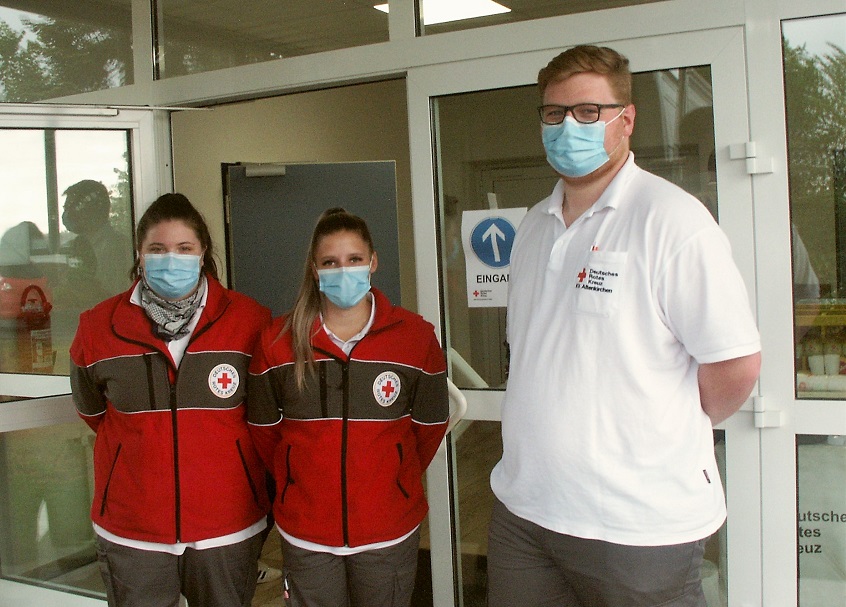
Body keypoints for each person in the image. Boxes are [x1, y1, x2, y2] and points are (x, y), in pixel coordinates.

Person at [486, 45, 762, 607]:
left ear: (626, 119)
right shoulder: (534, 227)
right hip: (525, 512)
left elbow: (734, 364)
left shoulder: (673, 221)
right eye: (555, 113)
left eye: (589, 111)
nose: (569, 126)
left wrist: (661, 421)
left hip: (638, 527)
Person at [69, 193, 272, 607]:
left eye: (184, 249)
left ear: (203, 254)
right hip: (133, 526)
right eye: (158, 250)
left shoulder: (250, 321)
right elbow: (91, 410)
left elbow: (265, 418)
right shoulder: (97, 327)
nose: (170, 260)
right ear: (139, 254)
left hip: (226, 523)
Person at [248, 207, 449, 607]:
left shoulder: (414, 337)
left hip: (387, 526)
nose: (344, 271)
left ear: (373, 262)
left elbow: (429, 427)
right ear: (315, 268)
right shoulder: (277, 340)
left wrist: (389, 475)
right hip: (307, 531)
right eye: (331, 262)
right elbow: (264, 431)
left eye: (354, 259)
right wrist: (299, 475)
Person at [62, 179, 134, 296]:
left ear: (87, 209)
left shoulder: (118, 248)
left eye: (69, 207)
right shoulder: (77, 246)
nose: (66, 213)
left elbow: (116, 295)